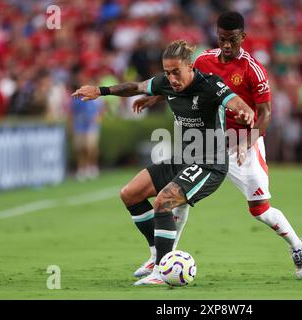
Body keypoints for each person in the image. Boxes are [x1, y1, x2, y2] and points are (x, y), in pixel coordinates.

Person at [134, 12, 302, 279]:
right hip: (206, 143)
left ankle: (298, 246)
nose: (227, 45)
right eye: (222, 39)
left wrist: (248, 141)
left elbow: (264, 114)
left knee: (260, 210)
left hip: (244, 146)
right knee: (177, 199)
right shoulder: (204, 60)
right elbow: (183, 84)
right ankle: (161, 260)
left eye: (233, 40)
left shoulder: (253, 69)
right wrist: (154, 97)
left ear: (243, 37)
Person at [72, 40, 255, 285]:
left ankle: (161, 269)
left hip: (210, 164)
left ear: (190, 67)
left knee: (164, 201)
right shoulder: (165, 83)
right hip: (183, 159)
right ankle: (156, 253)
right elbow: (135, 87)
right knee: (130, 193)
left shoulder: (212, 85)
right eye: (167, 72)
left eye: (175, 72)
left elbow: (237, 103)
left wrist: (245, 111)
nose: (171, 78)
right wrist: (101, 91)